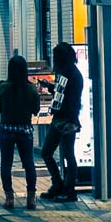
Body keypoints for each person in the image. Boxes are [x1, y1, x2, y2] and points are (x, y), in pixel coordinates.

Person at [0, 55, 42, 210]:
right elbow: (36, 110)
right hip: (25, 130)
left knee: (6, 163)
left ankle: (9, 198)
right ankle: (31, 198)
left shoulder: (3, 87)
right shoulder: (31, 89)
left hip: (7, 129)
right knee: (29, 163)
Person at [42, 42, 84, 201]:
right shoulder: (65, 73)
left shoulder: (72, 75)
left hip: (67, 120)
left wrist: (72, 122)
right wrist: (50, 86)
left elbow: (73, 101)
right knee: (49, 152)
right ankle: (59, 185)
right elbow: (62, 93)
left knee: (67, 154)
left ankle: (69, 190)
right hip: (60, 118)